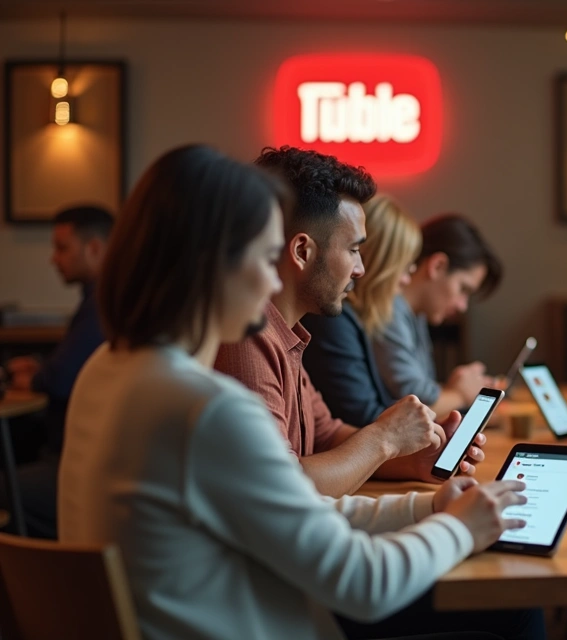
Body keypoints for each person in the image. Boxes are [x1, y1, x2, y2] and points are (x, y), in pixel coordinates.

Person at [58, 143, 529, 640]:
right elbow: (363, 583)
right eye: (265, 257)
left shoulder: (106, 369)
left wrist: (424, 507)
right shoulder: (206, 409)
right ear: (215, 264)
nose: (271, 279)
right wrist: (462, 528)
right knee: (516, 605)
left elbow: (290, 503)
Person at [213, 147, 486, 500]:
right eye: (354, 250)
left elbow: (329, 436)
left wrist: (415, 460)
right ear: (301, 252)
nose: (360, 269)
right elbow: (283, 488)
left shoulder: (288, 333)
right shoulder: (248, 337)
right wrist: (385, 438)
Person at [0, 205, 111, 538]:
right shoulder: (99, 300)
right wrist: (41, 367)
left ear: (93, 248)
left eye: (62, 248)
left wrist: (35, 376)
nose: (53, 259)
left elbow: (60, 379)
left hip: (76, 462)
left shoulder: (103, 302)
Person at [301, 194, 422, 426]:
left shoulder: (358, 317)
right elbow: (363, 418)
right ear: (383, 265)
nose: (407, 279)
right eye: (404, 266)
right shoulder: (334, 320)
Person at [372, 213, 503, 417]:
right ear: (438, 266)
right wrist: (462, 393)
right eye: (463, 289)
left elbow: (424, 392)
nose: (462, 305)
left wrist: (456, 389)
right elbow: (415, 399)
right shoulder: (389, 309)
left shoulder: (416, 315)